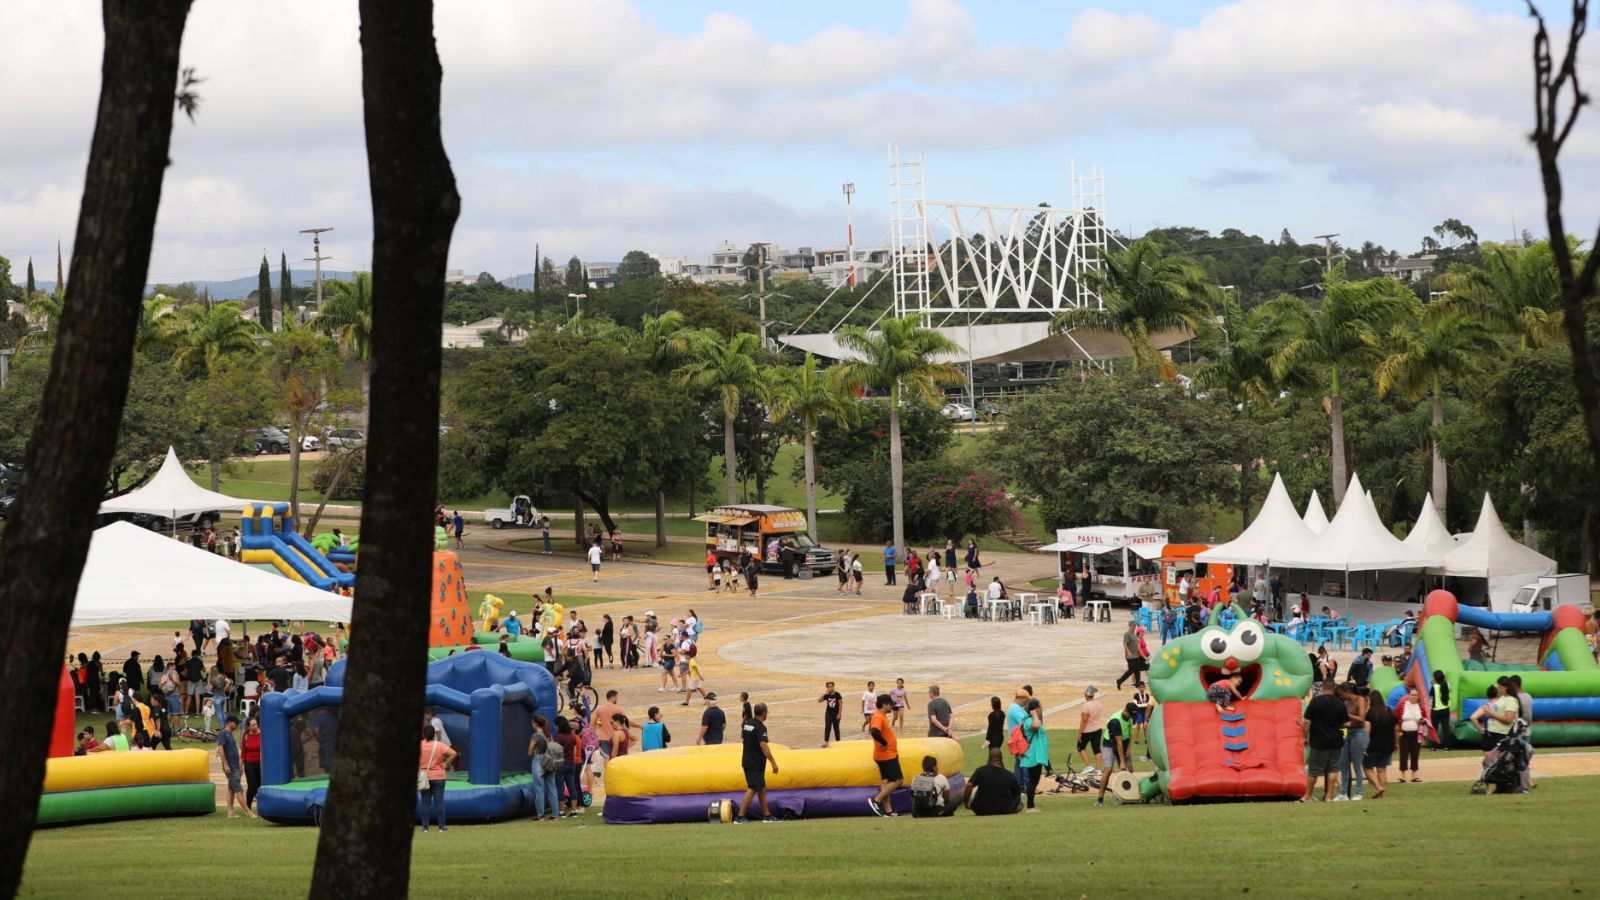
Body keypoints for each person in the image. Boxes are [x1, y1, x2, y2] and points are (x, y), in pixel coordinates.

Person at [735, 702, 779, 823]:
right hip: (755, 763)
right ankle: (740, 816)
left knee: (761, 788)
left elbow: (746, 739)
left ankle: (766, 814)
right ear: (764, 713)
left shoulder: (747, 724)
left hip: (747, 760)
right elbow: (763, 745)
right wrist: (773, 762)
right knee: (753, 788)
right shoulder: (760, 727)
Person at [1303, 681, 1347, 801]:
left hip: (1318, 740)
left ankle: (1308, 796)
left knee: (1313, 771)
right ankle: (1329, 796)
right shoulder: (1339, 703)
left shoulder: (1315, 701)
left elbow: (1307, 722)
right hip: (1335, 740)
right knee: (1333, 769)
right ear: (1334, 688)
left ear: (1323, 688)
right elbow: (1344, 723)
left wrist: (1304, 737)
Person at [867, 694, 902, 817]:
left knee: (886, 782)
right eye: (890, 704)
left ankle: (888, 810)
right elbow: (874, 731)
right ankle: (876, 800)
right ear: (884, 705)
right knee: (898, 780)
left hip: (886, 754)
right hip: (886, 755)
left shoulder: (882, 716)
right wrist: (884, 742)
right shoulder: (878, 716)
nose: (891, 706)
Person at [417, 723, 457, 831]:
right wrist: (445, 763)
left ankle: (425, 827)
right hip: (439, 776)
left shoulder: (420, 745)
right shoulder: (439, 745)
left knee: (425, 802)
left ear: (423, 734)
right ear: (434, 734)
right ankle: (441, 826)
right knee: (439, 802)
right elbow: (454, 753)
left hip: (424, 776)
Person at [1335, 682, 1370, 801]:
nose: (1341, 696)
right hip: (1348, 733)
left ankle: (1359, 792)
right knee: (1343, 764)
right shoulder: (1345, 702)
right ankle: (1343, 793)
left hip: (1359, 733)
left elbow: (1361, 719)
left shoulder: (1360, 699)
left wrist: (1347, 715)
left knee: (1357, 764)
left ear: (1347, 691)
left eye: (1342, 694)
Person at [1362, 688, 1396, 799]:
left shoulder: (1370, 713)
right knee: (1382, 769)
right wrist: (1396, 743)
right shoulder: (1389, 711)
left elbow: (1367, 730)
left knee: (1367, 768)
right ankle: (1383, 795)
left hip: (1373, 744)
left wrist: (1364, 745)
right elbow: (1395, 728)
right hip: (1388, 744)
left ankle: (1378, 787)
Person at [1016, 698, 1048, 812]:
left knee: (1034, 781)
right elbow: (1036, 726)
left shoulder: (1032, 719)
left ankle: (1031, 805)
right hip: (1032, 756)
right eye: (1039, 708)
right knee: (1033, 782)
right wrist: (1034, 714)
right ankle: (1030, 806)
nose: (1041, 710)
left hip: (1037, 756)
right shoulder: (1030, 720)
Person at [217, 716, 252, 818]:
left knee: (231, 788)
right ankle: (248, 811)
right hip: (231, 766)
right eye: (236, 723)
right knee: (238, 789)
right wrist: (225, 764)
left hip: (234, 765)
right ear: (230, 723)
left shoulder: (230, 734)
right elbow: (220, 749)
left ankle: (230, 812)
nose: (237, 726)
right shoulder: (223, 733)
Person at [526, 715, 560, 821]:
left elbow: (530, 751)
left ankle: (540, 815)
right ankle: (555, 814)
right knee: (552, 788)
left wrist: (533, 751)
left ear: (535, 724)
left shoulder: (536, 736)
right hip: (550, 761)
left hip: (538, 760)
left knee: (539, 788)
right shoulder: (548, 735)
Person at [1470, 684, 1518, 757]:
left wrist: (1481, 730)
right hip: (1502, 733)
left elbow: (1473, 717)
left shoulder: (1487, 706)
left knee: (1489, 759)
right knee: (1502, 758)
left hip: (1488, 733)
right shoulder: (1504, 703)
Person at [554, 716, 581, 817]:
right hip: (571, 763)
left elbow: (556, 752)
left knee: (560, 787)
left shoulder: (557, 737)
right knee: (572, 787)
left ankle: (561, 811)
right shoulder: (572, 737)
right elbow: (573, 752)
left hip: (560, 764)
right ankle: (574, 810)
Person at [1397, 687, 1425, 782]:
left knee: (1415, 754)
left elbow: (1424, 718)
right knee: (1403, 754)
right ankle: (1402, 775)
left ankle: (1414, 775)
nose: (1414, 697)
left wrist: (1423, 721)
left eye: (1416, 695)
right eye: (1412, 695)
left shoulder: (1420, 707)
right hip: (1404, 734)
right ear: (1408, 695)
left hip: (1416, 734)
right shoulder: (1402, 705)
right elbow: (1397, 717)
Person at [1077, 685, 1105, 770]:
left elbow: (1084, 720)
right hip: (1097, 729)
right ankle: (1098, 769)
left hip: (1087, 731)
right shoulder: (1099, 703)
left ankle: (1088, 767)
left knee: (1080, 747)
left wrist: (1080, 733)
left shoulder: (1086, 706)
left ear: (1086, 695)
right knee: (1097, 749)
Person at [1115, 619, 1146, 689]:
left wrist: (1142, 655)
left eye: (1135, 626)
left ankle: (1137, 683)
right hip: (1130, 656)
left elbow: (1137, 644)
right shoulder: (1127, 634)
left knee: (1137, 670)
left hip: (1136, 655)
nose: (1134, 627)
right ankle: (1120, 681)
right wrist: (1128, 651)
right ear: (1130, 626)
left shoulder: (1134, 634)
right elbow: (1125, 643)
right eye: (1133, 626)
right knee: (1131, 670)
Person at [241, 716, 263, 809]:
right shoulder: (246, 736)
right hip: (249, 763)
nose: (255, 726)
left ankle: (261, 806)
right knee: (252, 786)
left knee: (260, 786)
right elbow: (243, 753)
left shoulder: (262, 734)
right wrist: (240, 766)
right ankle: (248, 806)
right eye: (253, 725)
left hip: (261, 763)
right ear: (248, 727)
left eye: (256, 724)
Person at [1429, 669, 1452, 749]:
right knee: (1446, 729)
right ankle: (1446, 746)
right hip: (1445, 709)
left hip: (1435, 710)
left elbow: (1431, 697)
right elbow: (1449, 690)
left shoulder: (1434, 686)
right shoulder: (1447, 684)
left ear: (1435, 678)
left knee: (1434, 729)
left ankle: (1434, 746)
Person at [818, 681, 843, 746]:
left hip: (836, 714)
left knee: (836, 728)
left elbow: (840, 704)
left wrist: (839, 714)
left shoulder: (837, 694)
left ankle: (838, 741)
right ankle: (826, 742)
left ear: (834, 687)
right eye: (829, 687)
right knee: (827, 727)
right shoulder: (827, 695)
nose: (830, 688)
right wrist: (824, 694)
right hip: (828, 713)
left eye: (831, 686)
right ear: (827, 688)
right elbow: (819, 701)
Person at [1132, 684, 1154, 754]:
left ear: (1145, 688)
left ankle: (1146, 739)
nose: (1141, 689)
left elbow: (1148, 704)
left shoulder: (1147, 695)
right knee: (1138, 725)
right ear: (1138, 688)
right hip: (1139, 712)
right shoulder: (1136, 695)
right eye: (1140, 687)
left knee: (1145, 726)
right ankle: (1136, 739)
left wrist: (1142, 704)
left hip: (1145, 711)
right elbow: (1136, 704)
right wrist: (1144, 704)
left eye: (1143, 687)